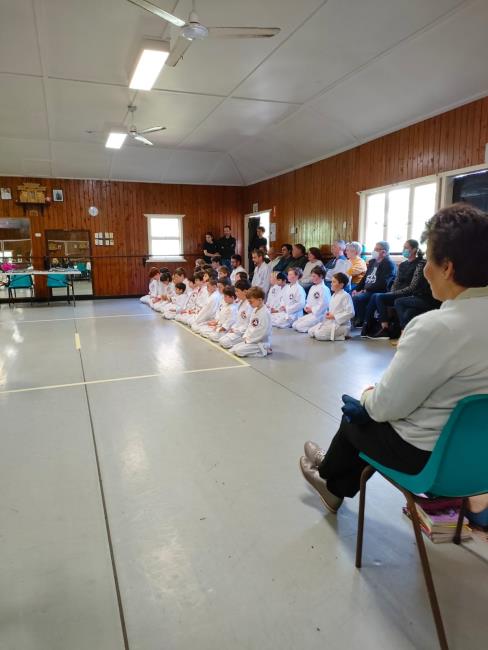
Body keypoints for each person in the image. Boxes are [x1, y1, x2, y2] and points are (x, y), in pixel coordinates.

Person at [299, 203, 488, 514]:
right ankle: (330, 466)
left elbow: (387, 407)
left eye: (429, 260)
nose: (425, 271)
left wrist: (368, 397)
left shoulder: (435, 327)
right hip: (479, 463)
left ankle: (330, 483)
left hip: (431, 462)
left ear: (447, 268)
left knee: (357, 416)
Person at [361, 239, 427, 339]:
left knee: (378, 296)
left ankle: (383, 327)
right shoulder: (403, 264)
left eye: (406, 248)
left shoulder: (420, 264)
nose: (403, 249)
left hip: (410, 293)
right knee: (376, 296)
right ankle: (370, 326)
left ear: (414, 250)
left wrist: (394, 293)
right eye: (403, 247)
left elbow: (413, 286)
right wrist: (392, 292)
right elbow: (396, 282)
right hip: (399, 292)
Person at [351, 241, 396, 326]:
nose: (374, 251)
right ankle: (358, 318)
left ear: (384, 252)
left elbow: (383, 283)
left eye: (376, 249)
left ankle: (363, 320)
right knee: (351, 293)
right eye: (374, 249)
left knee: (357, 298)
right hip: (367, 289)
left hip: (378, 290)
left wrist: (365, 290)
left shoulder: (389, 264)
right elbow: (365, 278)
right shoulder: (372, 262)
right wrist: (357, 289)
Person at [308, 272, 355, 341]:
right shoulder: (333, 295)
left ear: (341, 285)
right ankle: (336, 334)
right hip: (331, 322)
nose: (331, 284)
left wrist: (334, 316)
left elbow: (351, 313)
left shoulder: (345, 295)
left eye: (334, 282)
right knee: (310, 331)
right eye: (332, 281)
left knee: (319, 335)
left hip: (342, 325)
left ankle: (342, 335)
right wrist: (328, 314)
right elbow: (333, 310)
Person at [230, 286, 272, 357]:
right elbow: (250, 326)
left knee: (239, 351)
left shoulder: (265, 313)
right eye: (249, 301)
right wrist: (246, 337)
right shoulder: (255, 310)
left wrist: (249, 340)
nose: (249, 304)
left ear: (260, 300)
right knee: (233, 349)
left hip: (260, 342)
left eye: (251, 302)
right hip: (252, 339)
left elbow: (263, 332)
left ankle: (265, 349)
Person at [293, 267, 330, 333]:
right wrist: (307, 307)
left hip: (320, 315)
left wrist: (312, 309)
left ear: (321, 276)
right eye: (311, 276)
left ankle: (317, 327)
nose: (312, 278)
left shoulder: (324, 289)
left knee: (299, 326)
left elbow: (323, 305)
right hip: (312, 313)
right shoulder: (312, 287)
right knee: (294, 324)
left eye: (314, 276)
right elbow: (308, 300)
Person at [219, 280, 252, 349]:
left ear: (245, 291)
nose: (235, 293)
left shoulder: (249, 305)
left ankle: (244, 343)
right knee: (221, 339)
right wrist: (233, 328)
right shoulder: (240, 302)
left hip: (243, 333)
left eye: (237, 291)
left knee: (224, 341)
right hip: (236, 329)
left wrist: (235, 330)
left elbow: (247, 325)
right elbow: (237, 320)